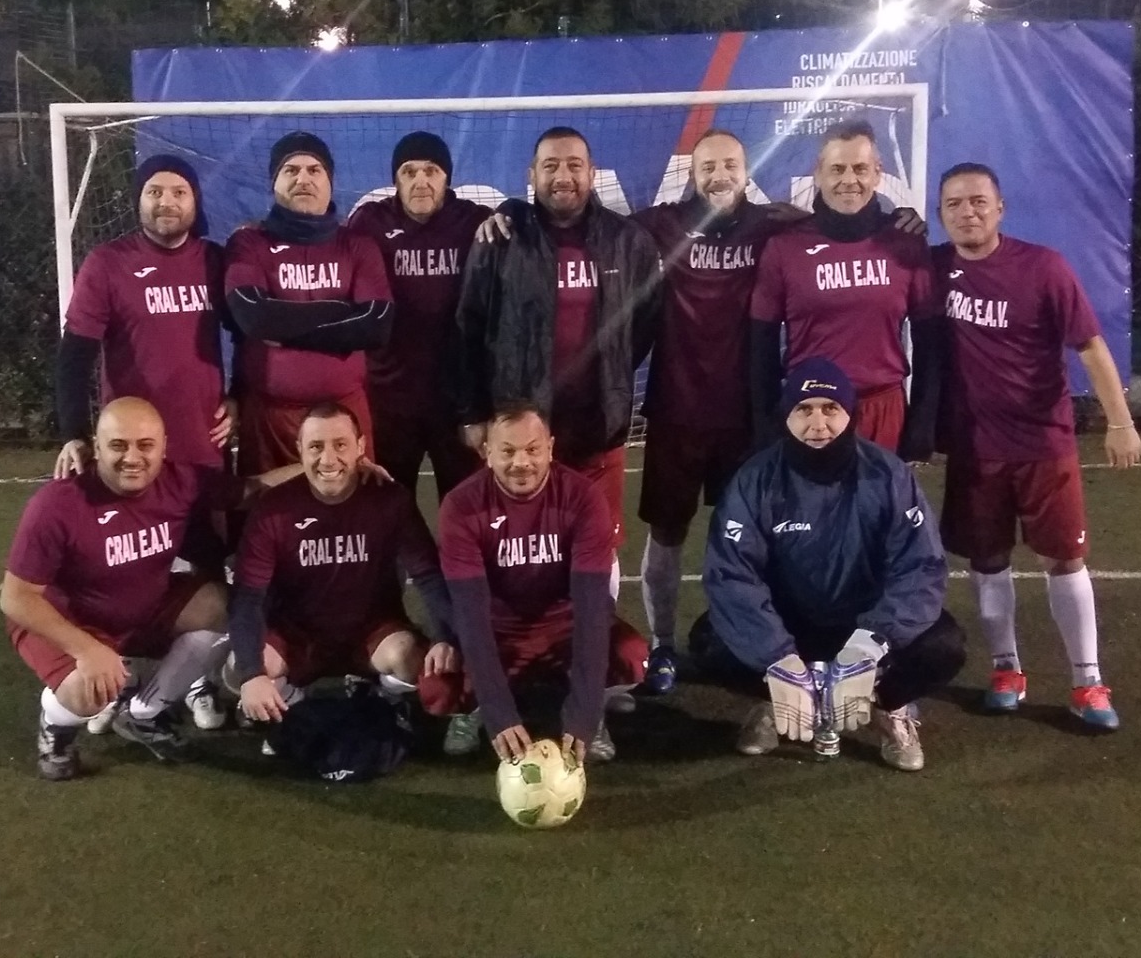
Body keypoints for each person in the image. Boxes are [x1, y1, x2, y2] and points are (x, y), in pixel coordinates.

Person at [930, 163, 1141, 731]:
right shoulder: (934, 267)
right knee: (987, 559)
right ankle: (1007, 670)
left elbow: (1091, 346)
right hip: (974, 448)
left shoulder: (1044, 267)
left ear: (1000, 208)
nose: (967, 212)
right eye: (954, 204)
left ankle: (1087, 681)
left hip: (1044, 443)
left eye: (978, 201)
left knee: (1064, 558)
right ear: (941, 214)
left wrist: (1120, 423)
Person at [1, 398, 297, 782]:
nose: (133, 458)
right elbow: (16, 598)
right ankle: (55, 729)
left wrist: (321, 465)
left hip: (144, 608)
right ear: (96, 446)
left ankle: (145, 711)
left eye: (145, 445)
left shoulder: (179, 480)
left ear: (163, 447)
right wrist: (86, 649)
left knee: (224, 606)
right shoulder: (58, 504)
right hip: (70, 622)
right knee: (90, 690)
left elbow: (252, 490)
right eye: (118, 445)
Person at [701, 358, 963, 772]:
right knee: (710, 642)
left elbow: (920, 568)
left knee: (944, 647)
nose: (818, 423)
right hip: (789, 628)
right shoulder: (754, 479)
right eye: (804, 410)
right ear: (786, 416)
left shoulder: (889, 475)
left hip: (865, 627)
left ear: (850, 413)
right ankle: (778, 699)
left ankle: (886, 706)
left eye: (830, 408)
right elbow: (731, 575)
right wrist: (776, 657)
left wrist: (871, 642)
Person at [625, 128, 807, 696]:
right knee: (667, 531)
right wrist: (514, 212)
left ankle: (750, 640)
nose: (719, 174)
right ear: (692, 174)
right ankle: (662, 645)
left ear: (746, 170)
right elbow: (587, 225)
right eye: (708, 166)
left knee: (746, 538)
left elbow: (838, 227)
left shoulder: (772, 224)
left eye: (729, 164)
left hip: (747, 419)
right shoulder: (662, 224)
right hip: (675, 411)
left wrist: (899, 221)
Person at [452, 127, 662, 596]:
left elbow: (644, 323)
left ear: (592, 173)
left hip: (596, 424)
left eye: (573, 165)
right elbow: (469, 327)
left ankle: (595, 633)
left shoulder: (628, 241)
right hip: (521, 427)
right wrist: (472, 412)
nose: (562, 176)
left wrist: (609, 376)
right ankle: (524, 634)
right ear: (531, 175)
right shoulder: (502, 238)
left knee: (597, 543)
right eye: (550, 166)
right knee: (521, 545)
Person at [422, 403, 649, 764]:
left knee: (632, 657)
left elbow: (592, 609)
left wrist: (585, 710)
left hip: (564, 626)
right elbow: (471, 616)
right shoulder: (461, 506)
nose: (521, 462)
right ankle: (476, 708)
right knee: (436, 689)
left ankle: (591, 704)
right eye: (508, 451)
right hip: (498, 630)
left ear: (551, 448)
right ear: (487, 452)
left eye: (532, 449)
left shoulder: (583, 497)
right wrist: (498, 712)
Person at [225, 403, 459, 739]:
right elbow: (248, 596)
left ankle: (384, 697)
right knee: (238, 667)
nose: (328, 459)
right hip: (297, 636)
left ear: (361, 447)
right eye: (316, 447)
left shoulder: (389, 499)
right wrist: (252, 674)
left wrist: (446, 637)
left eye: (340, 445)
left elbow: (428, 576)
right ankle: (291, 702)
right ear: (299, 450)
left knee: (416, 660)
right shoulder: (274, 508)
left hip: (371, 632)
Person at [749, 121, 938, 456]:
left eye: (860, 168)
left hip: (883, 408)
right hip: (812, 409)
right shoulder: (784, 247)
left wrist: (923, 420)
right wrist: (765, 422)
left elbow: (931, 343)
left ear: (878, 173)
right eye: (837, 169)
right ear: (818, 173)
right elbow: (760, 345)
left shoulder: (906, 242)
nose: (849, 180)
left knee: (882, 493)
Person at [224, 131, 395, 476]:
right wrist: (341, 313)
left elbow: (376, 325)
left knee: (351, 508)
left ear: (330, 182)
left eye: (314, 170)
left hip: (345, 417)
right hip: (270, 420)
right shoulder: (248, 243)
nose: (303, 179)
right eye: (291, 170)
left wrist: (281, 327)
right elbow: (253, 317)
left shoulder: (358, 245)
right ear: (274, 183)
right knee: (266, 508)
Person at [53, 154, 232, 477]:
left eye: (179, 192)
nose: (166, 202)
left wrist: (240, 396)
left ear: (195, 201)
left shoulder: (216, 261)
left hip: (205, 447)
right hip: (133, 455)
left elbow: (249, 336)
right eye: (155, 192)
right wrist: (74, 433)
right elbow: (75, 356)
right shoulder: (107, 264)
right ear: (139, 199)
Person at [343, 131, 493, 498]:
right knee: (387, 505)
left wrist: (513, 212)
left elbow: (528, 228)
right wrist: (261, 231)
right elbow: (323, 244)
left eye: (431, 171)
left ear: (447, 178)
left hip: (455, 401)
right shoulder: (370, 222)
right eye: (409, 172)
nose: (420, 181)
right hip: (390, 400)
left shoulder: (474, 220)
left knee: (464, 504)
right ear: (395, 180)